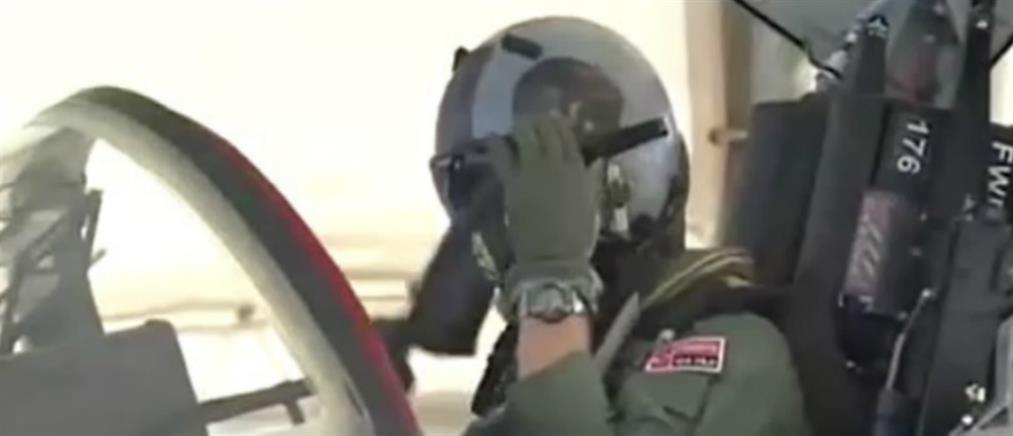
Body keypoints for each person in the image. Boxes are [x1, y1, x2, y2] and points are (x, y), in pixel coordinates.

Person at [431, 17, 811, 436]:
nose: (500, 220)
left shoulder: (737, 353)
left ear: (611, 186)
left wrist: (551, 291)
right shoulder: (571, 344)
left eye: (531, 187)